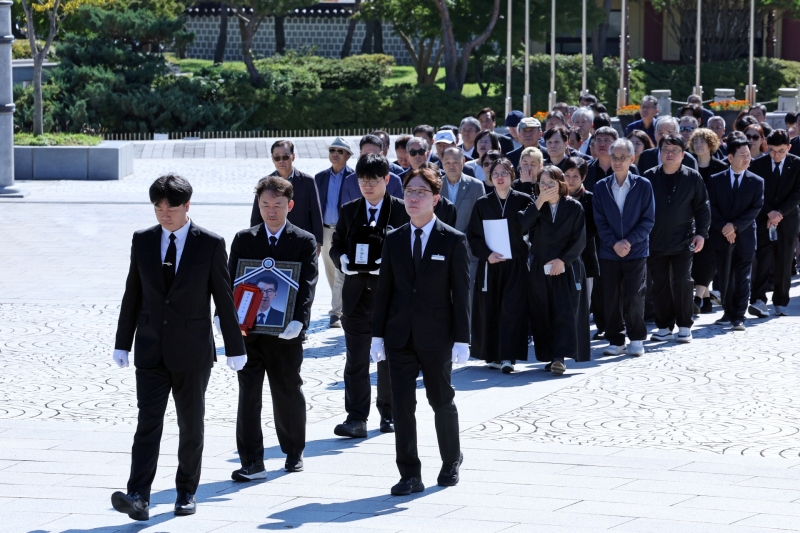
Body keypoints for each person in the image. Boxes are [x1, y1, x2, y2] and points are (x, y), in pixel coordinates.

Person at [111, 174, 246, 521]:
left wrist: (235, 347)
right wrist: (122, 343)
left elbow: (224, 298)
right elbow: (132, 293)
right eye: (158, 208)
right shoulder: (143, 240)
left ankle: (186, 491)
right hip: (150, 349)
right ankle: (138, 495)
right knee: (147, 424)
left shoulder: (210, 243)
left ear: (187, 205)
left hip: (192, 351)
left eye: (170, 207)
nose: (164, 214)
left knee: (191, 426)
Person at [371, 167, 470, 496]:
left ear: (436, 199)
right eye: (409, 192)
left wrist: (462, 339)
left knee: (441, 400)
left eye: (421, 192)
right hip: (399, 335)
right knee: (402, 406)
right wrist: (377, 335)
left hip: (436, 336)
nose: (413, 198)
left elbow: (461, 293)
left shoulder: (452, 240)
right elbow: (385, 289)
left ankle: (451, 460)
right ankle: (409, 474)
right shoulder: (394, 238)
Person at [229, 176, 318, 481]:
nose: (271, 210)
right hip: (249, 333)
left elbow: (307, 283)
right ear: (258, 205)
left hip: (285, 334)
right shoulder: (244, 239)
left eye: (278, 204)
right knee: (248, 395)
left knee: (287, 391)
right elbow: (230, 280)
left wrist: (300, 320)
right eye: (265, 204)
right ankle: (252, 461)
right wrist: (223, 316)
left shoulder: (304, 241)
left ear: (289, 205)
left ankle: (293, 452)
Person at [329, 154, 404, 438]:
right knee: (356, 359)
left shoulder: (400, 210)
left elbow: (410, 248)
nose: (368, 186)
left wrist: (391, 265)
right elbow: (336, 244)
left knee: (389, 358)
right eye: (362, 180)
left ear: (386, 179)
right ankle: (356, 418)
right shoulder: (350, 210)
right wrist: (342, 260)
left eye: (373, 180)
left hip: (390, 297)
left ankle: (390, 413)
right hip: (356, 296)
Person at [521, 165, 589, 374]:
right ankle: (550, 355)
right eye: (542, 183)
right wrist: (539, 201)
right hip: (540, 267)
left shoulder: (573, 207)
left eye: (551, 183)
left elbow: (580, 239)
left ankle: (560, 357)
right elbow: (521, 226)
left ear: (560, 184)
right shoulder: (536, 206)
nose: (546, 187)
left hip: (566, 266)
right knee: (543, 312)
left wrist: (563, 260)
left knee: (564, 311)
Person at [643, 134, 711, 343]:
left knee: (682, 281)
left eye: (675, 150)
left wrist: (701, 233)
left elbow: (703, 208)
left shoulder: (693, 177)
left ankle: (684, 325)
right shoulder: (649, 177)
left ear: (683, 154)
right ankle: (664, 326)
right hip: (655, 240)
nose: (670, 154)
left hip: (684, 239)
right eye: (665, 149)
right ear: (660, 153)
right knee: (659, 284)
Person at [467, 159, 532, 373]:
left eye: (504, 172)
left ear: (512, 175)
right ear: (490, 177)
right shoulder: (483, 203)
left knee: (512, 309)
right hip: (491, 264)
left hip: (516, 265)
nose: (499, 177)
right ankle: (493, 354)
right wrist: (487, 255)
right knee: (491, 309)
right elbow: (473, 235)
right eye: (495, 173)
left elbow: (532, 230)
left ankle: (508, 357)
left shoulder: (523, 200)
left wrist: (524, 247)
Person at [593, 139, 655, 357]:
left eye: (622, 157)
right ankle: (616, 340)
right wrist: (614, 243)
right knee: (611, 297)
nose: (617, 162)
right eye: (614, 157)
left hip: (635, 251)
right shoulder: (601, 187)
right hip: (609, 252)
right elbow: (600, 221)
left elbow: (648, 220)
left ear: (632, 159)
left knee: (634, 295)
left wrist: (628, 242)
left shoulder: (643, 185)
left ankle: (636, 338)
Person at [708, 134, 764, 331]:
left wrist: (735, 226)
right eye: (742, 155)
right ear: (730, 157)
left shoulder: (756, 181)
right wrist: (725, 226)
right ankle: (728, 311)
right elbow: (711, 206)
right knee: (725, 275)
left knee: (742, 276)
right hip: (721, 234)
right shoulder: (716, 180)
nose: (747, 158)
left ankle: (739, 315)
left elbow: (755, 208)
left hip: (745, 236)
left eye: (748, 155)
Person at [748, 129, 800, 317]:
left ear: (789, 148)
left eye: (781, 151)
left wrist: (780, 212)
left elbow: (797, 193)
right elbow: (755, 191)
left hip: (787, 218)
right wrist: (769, 212)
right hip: (764, 218)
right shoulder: (757, 164)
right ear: (766, 147)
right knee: (762, 259)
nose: (776, 155)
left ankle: (781, 301)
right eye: (772, 150)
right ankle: (758, 299)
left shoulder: (797, 164)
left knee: (785, 260)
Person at [249, 140, 323, 253]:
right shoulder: (264, 183)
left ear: (293, 157)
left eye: (285, 157)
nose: (281, 161)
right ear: (272, 158)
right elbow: (256, 215)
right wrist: (254, 239)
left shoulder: (308, 181)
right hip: (272, 240)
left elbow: (316, 213)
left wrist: (317, 242)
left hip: (301, 240)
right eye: (277, 158)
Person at [688, 128, 729, 313]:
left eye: (702, 142)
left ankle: (697, 299)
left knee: (707, 259)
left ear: (711, 144)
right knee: (695, 258)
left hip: (714, 219)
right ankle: (705, 299)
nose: (698, 145)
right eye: (695, 142)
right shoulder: (688, 165)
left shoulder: (721, 167)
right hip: (691, 218)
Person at [315, 137, 354, 328]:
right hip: (324, 230)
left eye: (340, 151)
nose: (335, 154)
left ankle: (336, 313)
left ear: (348, 155)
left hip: (344, 231)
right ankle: (340, 305)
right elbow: (314, 207)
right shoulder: (320, 177)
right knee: (330, 271)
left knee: (340, 272)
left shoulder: (353, 177)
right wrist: (316, 236)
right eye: (332, 150)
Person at [441, 146, 485, 301]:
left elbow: (481, 219)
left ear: (463, 161)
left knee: (468, 298)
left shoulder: (476, 186)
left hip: (469, 250)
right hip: (441, 249)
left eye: (455, 161)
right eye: (447, 162)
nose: (451, 165)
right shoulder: (435, 186)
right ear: (442, 163)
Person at [564, 156, 599, 314]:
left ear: (583, 177)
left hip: (585, 255)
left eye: (575, 176)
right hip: (560, 255)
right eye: (567, 175)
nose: (570, 180)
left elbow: (593, 227)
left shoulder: (590, 198)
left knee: (584, 303)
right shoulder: (556, 197)